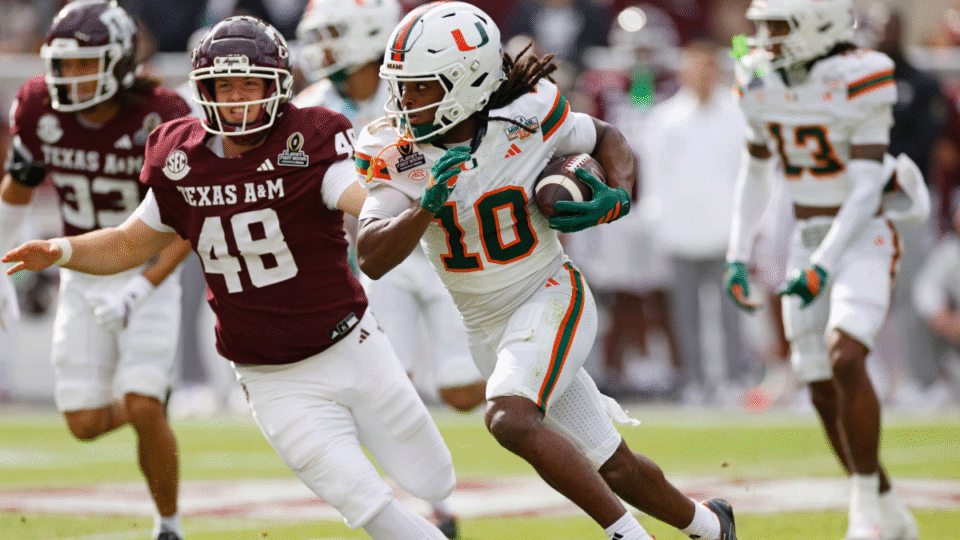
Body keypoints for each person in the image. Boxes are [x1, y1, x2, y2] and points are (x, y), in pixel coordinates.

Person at [4, 15, 457, 540]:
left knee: (433, 473)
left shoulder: (308, 140)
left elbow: (361, 198)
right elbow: (130, 241)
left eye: (250, 84)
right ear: (205, 89)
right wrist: (59, 250)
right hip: (270, 376)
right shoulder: (181, 159)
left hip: (353, 345)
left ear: (277, 87)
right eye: (225, 84)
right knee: (365, 504)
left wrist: (404, 187)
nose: (237, 96)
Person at [355, 3, 736, 540]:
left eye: (421, 87)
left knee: (509, 417)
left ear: (467, 82)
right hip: (485, 325)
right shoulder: (395, 149)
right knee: (612, 461)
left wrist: (616, 195)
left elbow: (606, 135)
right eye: (401, 86)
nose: (404, 100)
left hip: (549, 292)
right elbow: (371, 255)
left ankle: (629, 536)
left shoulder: (527, 113)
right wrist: (425, 206)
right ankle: (712, 525)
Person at [724, 1, 921, 538]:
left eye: (777, 25)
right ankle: (886, 504)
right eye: (760, 25)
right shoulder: (759, 77)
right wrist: (737, 254)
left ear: (819, 23)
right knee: (816, 383)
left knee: (847, 354)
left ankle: (864, 513)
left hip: (862, 235)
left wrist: (824, 265)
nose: (763, 38)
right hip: (805, 238)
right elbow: (754, 170)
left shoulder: (861, 73)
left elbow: (862, 187)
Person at [0, 2, 193, 539]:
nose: (69, 76)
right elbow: (18, 186)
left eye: (86, 63)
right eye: (63, 63)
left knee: (143, 402)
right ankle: (146, 400)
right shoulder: (40, 105)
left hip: (149, 273)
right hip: (80, 274)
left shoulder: (162, 113)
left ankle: (168, 525)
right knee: (84, 424)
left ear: (121, 61)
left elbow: (190, 220)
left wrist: (142, 286)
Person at [293, 0, 484, 536]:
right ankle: (430, 509)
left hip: (448, 250)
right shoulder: (310, 109)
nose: (321, 47)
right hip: (380, 257)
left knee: (463, 394)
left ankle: (534, 377)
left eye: (332, 32)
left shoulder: (415, 85)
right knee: (389, 390)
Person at [639, 39, 752, 406]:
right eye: (694, 68)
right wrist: (656, 219)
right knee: (685, 315)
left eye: (708, 68)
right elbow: (654, 174)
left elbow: (751, 172)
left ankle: (735, 379)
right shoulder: (665, 118)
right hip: (681, 231)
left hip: (726, 230)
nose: (702, 76)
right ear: (683, 73)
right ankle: (695, 381)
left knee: (730, 312)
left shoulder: (738, 115)